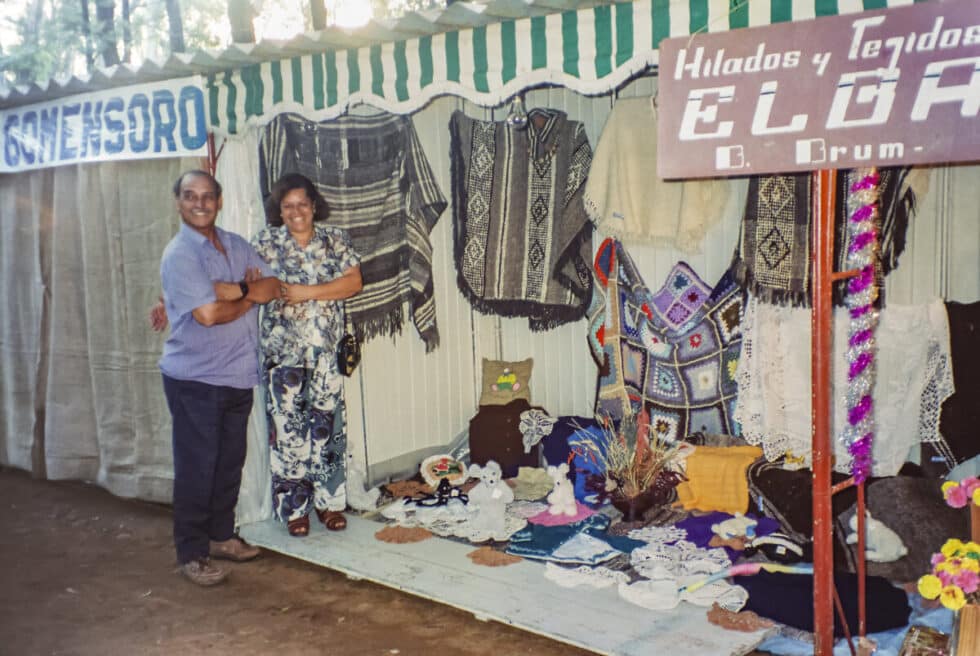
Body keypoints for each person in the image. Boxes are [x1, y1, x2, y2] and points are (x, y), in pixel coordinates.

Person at [156, 170, 280, 586]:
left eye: (207, 196)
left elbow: (272, 284)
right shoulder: (180, 255)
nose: (200, 203)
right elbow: (208, 316)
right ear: (178, 202)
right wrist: (244, 294)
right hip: (195, 378)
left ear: (219, 201)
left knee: (229, 462)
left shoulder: (235, 244)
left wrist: (227, 290)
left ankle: (221, 537)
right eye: (190, 196)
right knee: (197, 467)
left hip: (237, 374)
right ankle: (191, 552)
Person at [251, 172, 362, 538]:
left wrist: (305, 291)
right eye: (287, 206)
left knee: (327, 429)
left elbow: (353, 283)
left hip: (327, 351)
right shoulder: (265, 243)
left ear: (314, 206)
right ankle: (294, 508)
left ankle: (329, 503)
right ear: (279, 211)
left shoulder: (336, 240)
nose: (296, 211)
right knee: (289, 432)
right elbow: (253, 286)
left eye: (302, 204)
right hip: (283, 356)